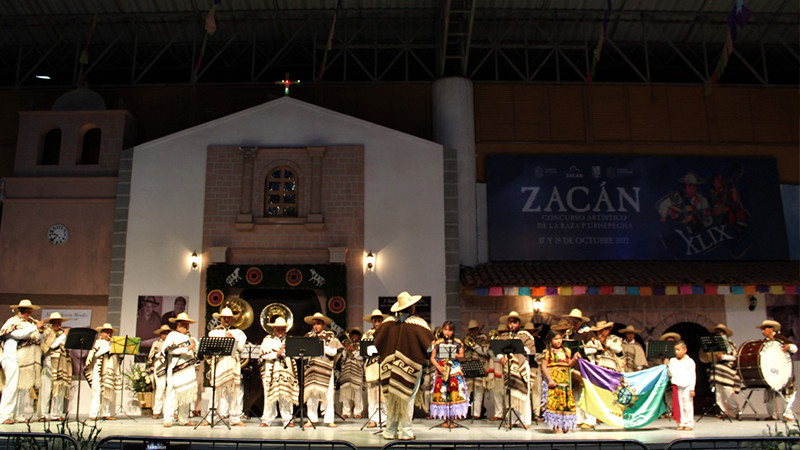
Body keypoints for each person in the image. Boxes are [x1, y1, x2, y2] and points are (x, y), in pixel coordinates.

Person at [373, 291, 435, 441]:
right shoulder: (419, 323)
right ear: (411, 307)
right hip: (410, 367)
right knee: (407, 398)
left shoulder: (387, 323)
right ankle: (405, 432)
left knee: (390, 399)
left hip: (388, 367)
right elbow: (430, 347)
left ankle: (389, 431)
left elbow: (376, 342)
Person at [0, 299, 44, 424]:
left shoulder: (29, 324)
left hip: (23, 359)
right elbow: (17, 335)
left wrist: (40, 331)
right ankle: (4, 416)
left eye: (29, 311)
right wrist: (35, 327)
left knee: (21, 388)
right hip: (10, 357)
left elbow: (36, 339)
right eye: (26, 311)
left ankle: (18, 415)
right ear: (20, 311)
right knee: (11, 387)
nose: (28, 314)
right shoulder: (13, 322)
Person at [207, 307, 247, 426]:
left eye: (229, 318)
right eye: (224, 318)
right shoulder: (214, 332)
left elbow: (241, 348)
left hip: (232, 363)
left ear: (232, 319)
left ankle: (234, 418)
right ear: (220, 319)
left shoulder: (239, 333)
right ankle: (210, 418)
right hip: (219, 363)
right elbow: (211, 348)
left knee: (233, 391)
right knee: (216, 391)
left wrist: (232, 339)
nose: (226, 320)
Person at [302, 312, 342, 428]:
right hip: (312, 369)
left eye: (318, 324)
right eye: (314, 324)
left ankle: (329, 420)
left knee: (328, 395)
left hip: (325, 369)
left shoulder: (330, 335)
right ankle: (311, 419)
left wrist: (321, 346)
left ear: (323, 324)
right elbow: (302, 353)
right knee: (311, 395)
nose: (316, 326)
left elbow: (334, 352)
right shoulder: (308, 336)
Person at [496, 310, 536, 428]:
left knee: (523, 393)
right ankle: (511, 420)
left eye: (514, 322)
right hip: (508, 367)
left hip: (521, 366)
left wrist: (517, 347)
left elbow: (530, 350)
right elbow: (497, 350)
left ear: (519, 323)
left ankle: (525, 420)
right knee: (510, 394)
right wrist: (501, 357)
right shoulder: (504, 336)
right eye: (510, 322)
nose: (512, 324)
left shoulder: (525, 335)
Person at [161, 312, 200, 427]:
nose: (185, 326)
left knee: (186, 394)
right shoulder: (172, 335)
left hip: (188, 369)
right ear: (177, 324)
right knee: (172, 394)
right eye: (183, 324)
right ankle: (168, 419)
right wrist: (187, 348)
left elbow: (198, 351)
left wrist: (195, 347)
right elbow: (168, 350)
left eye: (187, 324)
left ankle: (184, 419)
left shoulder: (191, 338)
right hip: (176, 368)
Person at [259, 316, 299, 427]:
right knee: (269, 395)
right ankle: (267, 419)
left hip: (286, 371)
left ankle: (288, 419)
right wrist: (276, 354)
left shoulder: (290, 340)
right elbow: (263, 355)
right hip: (271, 372)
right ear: (274, 328)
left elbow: (296, 355)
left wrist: (286, 351)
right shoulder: (267, 340)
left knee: (286, 394)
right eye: (278, 328)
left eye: (282, 328)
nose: (280, 330)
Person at [430, 321, 468, 427]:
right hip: (442, 368)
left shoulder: (458, 342)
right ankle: (444, 419)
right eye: (445, 330)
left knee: (454, 392)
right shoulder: (438, 343)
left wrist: (454, 354)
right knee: (442, 392)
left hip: (454, 369)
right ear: (442, 330)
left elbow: (462, 356)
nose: (447, 332)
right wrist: (438, 367)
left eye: (450, 330)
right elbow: (432, 358)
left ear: (453, 331)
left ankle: (452, 420)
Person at [756, 319, 797, 421]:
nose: (762, 331)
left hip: (784, 371)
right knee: (770, 394)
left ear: (771, 329)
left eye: (764, 329)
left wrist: (789, 346)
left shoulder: (780, 339)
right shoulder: (764, 342)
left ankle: (788, 414)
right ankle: (773, 415)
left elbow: (795, 348)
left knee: (788, 393)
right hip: (771, 372)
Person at [562, 308, 595, 431]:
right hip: (573, 365)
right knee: (575, 392)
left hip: (585, 365)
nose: (574, 322)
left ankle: (589, 420)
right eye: (572, 320)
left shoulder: (588, 332)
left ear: (580, 321)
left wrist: (582, 350)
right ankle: (578, 418)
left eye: (576, 320)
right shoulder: (569, 333)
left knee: (586, 393)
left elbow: (595, 348)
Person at [541, 329, 579, 433]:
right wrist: (550, 379)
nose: (559, 341)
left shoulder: (567, 351)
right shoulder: (547, 352)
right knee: (556, 402)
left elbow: (568, 364)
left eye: (560, 338)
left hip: (565, 381)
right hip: (554, 380)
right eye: (556, 339)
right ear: (550, 340)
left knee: (566, 403)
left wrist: (574, 359)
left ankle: (566, 425)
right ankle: (557, 426)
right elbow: (544, 367)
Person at [85, 322, 122, 421]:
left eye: (110, 333)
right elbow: (96, 354)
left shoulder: (114, 343)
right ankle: (94, 413)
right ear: (101, 333)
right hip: (99, 369)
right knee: (97, 391)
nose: (108, 334)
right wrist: (109, 346)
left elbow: (118, 358)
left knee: (108, 391)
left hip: (110, 369)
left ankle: (106, 413)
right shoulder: (98, 342)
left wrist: (119, 351)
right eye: (106, 332)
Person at [38, 312, 71, 421]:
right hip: (50, 362)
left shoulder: (62, 333)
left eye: (59, 322)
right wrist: (64, 335)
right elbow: (52, 345)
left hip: (61, 363)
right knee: (46, 390)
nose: (58, 324)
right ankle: (43, 414)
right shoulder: (47, 332)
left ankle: (56, 414)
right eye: (56, 322)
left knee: (59, 388)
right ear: (51, 323)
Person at [705, 323, 740, 420]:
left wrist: (723, 357)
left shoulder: (729, 344)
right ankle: (723, 411)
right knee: (718, 392)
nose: (718, 334)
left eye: (720, 332)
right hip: (717, 369)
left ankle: (736, 411)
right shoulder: (713, 345)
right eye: (716, 333)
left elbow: (734, 357)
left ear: (724, 333)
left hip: (726, 370)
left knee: (728, 390)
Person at [362, 309, 387, 428]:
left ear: (382, 320)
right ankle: (373, 419)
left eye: (379, 319)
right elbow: (363, 350)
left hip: (384, 365)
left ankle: (386, 419)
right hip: (371, 365)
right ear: (372, 321)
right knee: (372, 393)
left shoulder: (387, 332)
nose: (377, 322)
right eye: (375, 319)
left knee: (385, 394)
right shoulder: (367, 334)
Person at [462, 319, 490, 420]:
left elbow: (485, 352)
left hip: (479, 365)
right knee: (466, 391)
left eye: (474, 329)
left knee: (478, 390)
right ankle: (464, 412)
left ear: (478, 329)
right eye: (471, 330)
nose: (472, 332)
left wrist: (474, 345)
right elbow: (462, 352)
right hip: (468, 365)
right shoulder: (466, 338)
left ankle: (476, 413)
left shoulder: (483, 338)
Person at [668, 340, 695, 431]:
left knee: (687, 404)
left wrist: (692, 388)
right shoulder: (673, 361)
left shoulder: (689, 361)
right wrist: (668, 366)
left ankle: (689, 423)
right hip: (677, 385)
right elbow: (671, 374)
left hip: (687, 385)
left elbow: (692, 375)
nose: (676, 352)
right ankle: (681, 423)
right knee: (679, 405)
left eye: (678, 350)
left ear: (685, 350)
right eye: (675, 350)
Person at [147, 324, 172, 419]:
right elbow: (152, 356)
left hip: (170, 367)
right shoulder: (156, 344)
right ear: (161, 334)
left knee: (169, 389)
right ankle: (156, 410)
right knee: (160, 389)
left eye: (167, 333)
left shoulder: (172, 343)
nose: (166, 335)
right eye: (164, 333)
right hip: (159, 367)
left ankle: (168, 411)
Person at [339, 327, 364, 419]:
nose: (354, 336)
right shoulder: (346, 344)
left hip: (357, 371)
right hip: (347, 370)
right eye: (353, 334)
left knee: (357, 393)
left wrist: (354, 350)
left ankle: (358, 412)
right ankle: (346, 412)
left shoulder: (361, 346)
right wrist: (346, 349)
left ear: (359, 336)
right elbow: (343, 358)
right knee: (346, 392)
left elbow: (361, 358)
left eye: (356, 335)